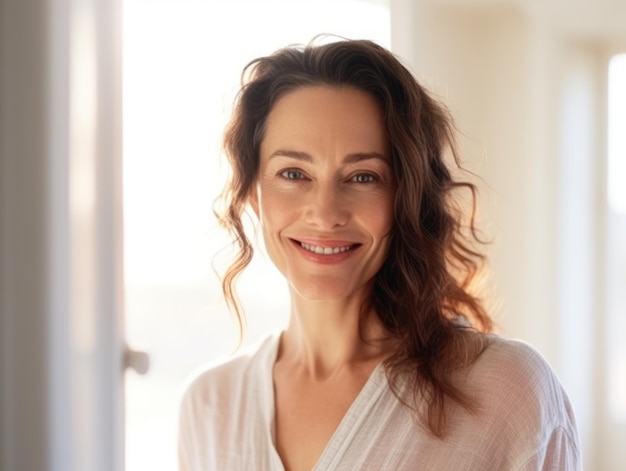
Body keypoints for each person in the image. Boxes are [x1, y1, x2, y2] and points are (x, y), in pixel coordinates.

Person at [178, 38, 581, 470]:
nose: (326, 213)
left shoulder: (506, 390)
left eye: (363, 176)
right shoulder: (209, 405)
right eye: (293, 173)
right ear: (253, 194)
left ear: (406, 198)